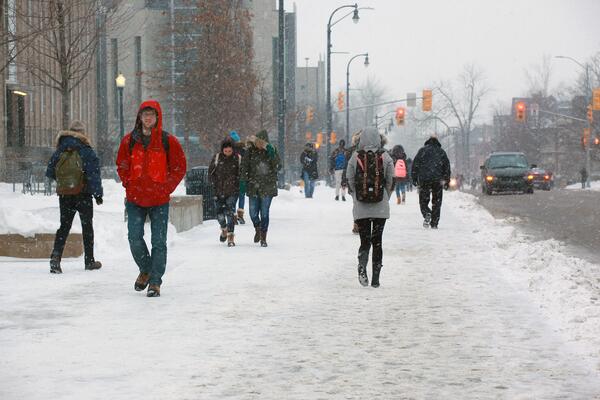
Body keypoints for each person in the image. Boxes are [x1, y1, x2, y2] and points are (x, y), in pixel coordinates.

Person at [116, 100, 187, 297]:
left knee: (158, 242)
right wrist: (128, 182)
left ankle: (155, 281)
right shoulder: (129, 141)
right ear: (140, 117)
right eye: (145, 114)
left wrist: (167, 186)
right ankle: (146, 269)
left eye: (152, 114)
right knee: (134, 237)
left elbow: (179, 166)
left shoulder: (167, 141)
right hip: (135, 198)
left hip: (159, 200)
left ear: (157, 118)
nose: (148, 118)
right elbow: (121, 164)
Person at [46, 120, 103, 274]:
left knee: (64, 226)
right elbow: (93, 173)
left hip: (65, 194)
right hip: (83, 194)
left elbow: (50, 171)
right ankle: (89, 261)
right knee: (87, 227)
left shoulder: (60, 148)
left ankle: (55, 259)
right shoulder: (86, 149)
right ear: (83, 133)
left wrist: (65, 182)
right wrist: (98, 194)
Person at [346, 127, 394, 288]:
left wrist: (356, 196)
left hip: (361, 207)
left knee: (365, 241)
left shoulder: (355, 157)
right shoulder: (385, 156)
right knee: (377, 242)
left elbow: (349, 179)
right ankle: (376, 278)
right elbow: (390, 180)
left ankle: (362, 267)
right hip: (380, 207)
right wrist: (384, 196)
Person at [240, 130, 281, 247]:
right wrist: (243, 181)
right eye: (257, 141)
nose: (259, 144)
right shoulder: (250, 151)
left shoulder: (271, 150)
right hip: (253, 186)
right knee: (253, 213)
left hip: (268, 186)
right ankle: (257, 228)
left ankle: (263, 237)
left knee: (264, 213)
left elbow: (278, 166)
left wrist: (272, 154)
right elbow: (244, 167)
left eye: (262, 142)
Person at [411, 135, 451, 229]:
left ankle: (427, 213)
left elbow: (415, 165)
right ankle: (434, 222)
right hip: (438, 180)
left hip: (424, 180)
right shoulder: (441, 152)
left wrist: (414, 178)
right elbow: (447, 167)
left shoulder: (422, 151)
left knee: (423, 200)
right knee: (437, 201)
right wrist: (446, 181)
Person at [209, 138, 240, 247]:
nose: (227, 153)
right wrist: (214, 183)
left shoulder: (237, 159)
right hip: (218, 191)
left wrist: (236, 184)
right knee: (219, 214)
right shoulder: (217, 158)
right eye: (225, 151)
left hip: (232, 191)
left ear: (233, 150)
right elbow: (210, 173)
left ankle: (231, 236)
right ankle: (224, 229)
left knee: (230, 213)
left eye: (229, 151)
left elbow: (241, 175)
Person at [230, 131, 246, 224]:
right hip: (242, 177)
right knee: (241, 196)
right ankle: (240, 215)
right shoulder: (243, 150)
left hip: (232, 178)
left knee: (233, 197)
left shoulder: (229, 151)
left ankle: (233, 216)